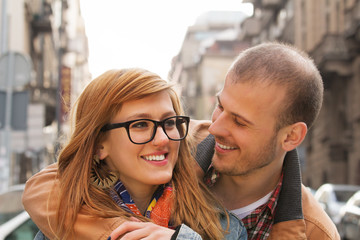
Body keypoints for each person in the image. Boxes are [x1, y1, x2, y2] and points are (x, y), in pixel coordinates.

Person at [22, 68, 247, 240]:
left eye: (169, 123)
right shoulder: (61, 229)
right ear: (99, 145)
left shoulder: (223, 228)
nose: (163, 139)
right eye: (140, 125)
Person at [194, 42, 340, 239]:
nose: (215, 128)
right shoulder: (168, 148)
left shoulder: (316, 233)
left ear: (291, 136)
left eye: (239, 122)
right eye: (220, 106)